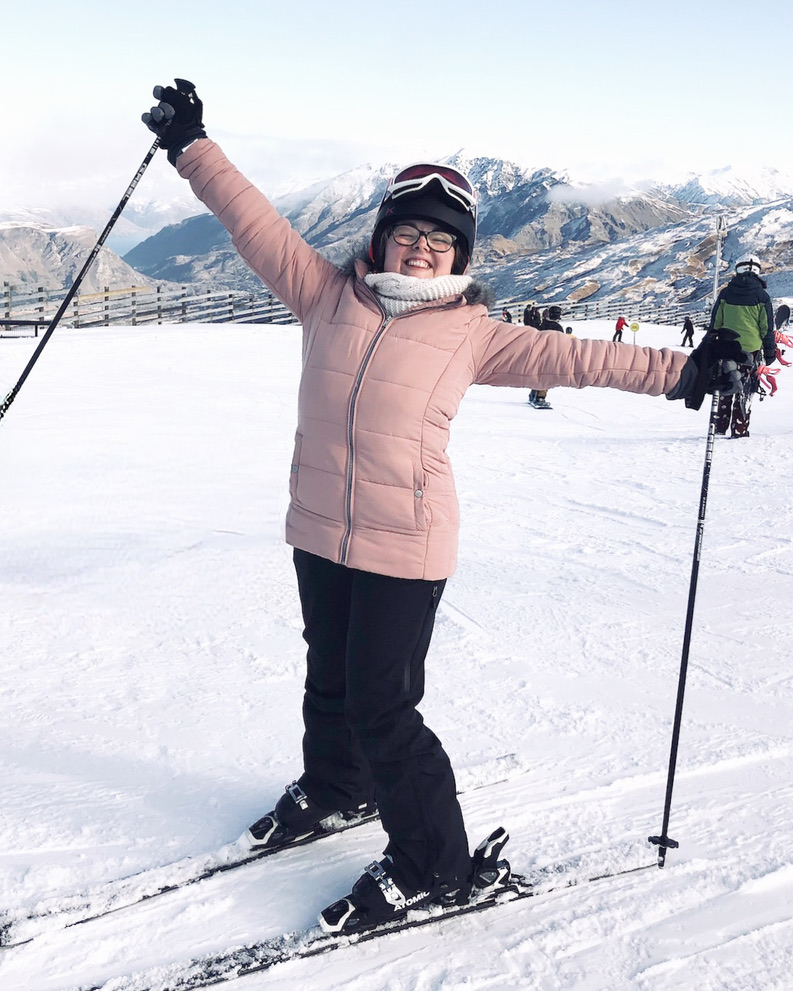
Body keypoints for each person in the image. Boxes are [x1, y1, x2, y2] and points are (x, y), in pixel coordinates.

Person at [142, 79, 741, 936]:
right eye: (406, 232)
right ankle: (337, 784)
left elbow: (579, 358)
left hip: (404, 544)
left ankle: (436, 865)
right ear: (381, 235)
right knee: (329, 676)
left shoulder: (472, 332)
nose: (419, 250)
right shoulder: (324, 294)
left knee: (383, 703)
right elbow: (253, 222)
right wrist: (191, 145)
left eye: (438, 240)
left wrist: (684, 371)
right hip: (317, 525)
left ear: (458, 257)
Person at [709, 256, 776, 438]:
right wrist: (770, 351)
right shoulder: (762, 296)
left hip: (726, 347)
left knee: (726, 384)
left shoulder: (725, 293)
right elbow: (766, 327)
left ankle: (719, 426)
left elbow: (716, 321)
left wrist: (711, 342)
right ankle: (740, 429)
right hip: (750, 351)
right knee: (745, 389)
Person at [528, 305, 565, 408]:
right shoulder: (558, 328)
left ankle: (533, 393)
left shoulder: (543, 324)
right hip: (551, 355)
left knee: (539, 374)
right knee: (546, 376)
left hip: (539, 353)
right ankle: (540, 397)